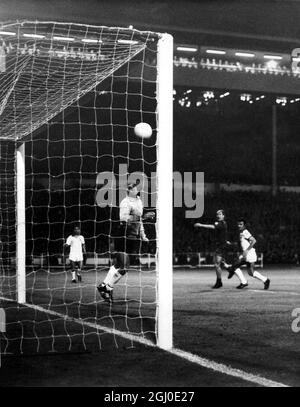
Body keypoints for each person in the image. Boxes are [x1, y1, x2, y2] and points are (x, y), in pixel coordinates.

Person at [97, 183, 153, 302]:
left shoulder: (139, 202)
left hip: (133, 237)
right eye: (134, 188)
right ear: (129, 190)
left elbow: (139, 222)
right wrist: (143, 217)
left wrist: (143, 236)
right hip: (123, 236)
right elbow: (124, 219)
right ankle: (108, 287)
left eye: (137, 187)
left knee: (118, 264)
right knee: (124, 266)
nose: (137, 189)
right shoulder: (125, 202)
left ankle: (104, 285)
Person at [227, 219, 270, 290]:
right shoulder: (241, 232)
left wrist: (247, 250)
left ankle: (243, 281)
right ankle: (265, 280)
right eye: (238, 224)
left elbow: (254, 241)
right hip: (247, 254)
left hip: (250, 254)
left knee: (235, 266)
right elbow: (242, 244)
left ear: (244, 225)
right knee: (250, 272)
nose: (239, 226)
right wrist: (231, 244)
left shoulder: (245, 231)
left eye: (241, 224)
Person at [194, 209, 229, 289]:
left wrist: (201, 225)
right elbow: (222, 234)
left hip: (221, 246)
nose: (218, 216)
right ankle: (230, 271)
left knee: (217, 264)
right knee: (219, 263)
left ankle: (219, 282)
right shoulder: (222, 223)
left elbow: (212, 227)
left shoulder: (221, 223)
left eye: (220, 214)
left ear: (223, 216)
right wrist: (225, 240)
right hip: (220, 245)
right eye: (217, 214)